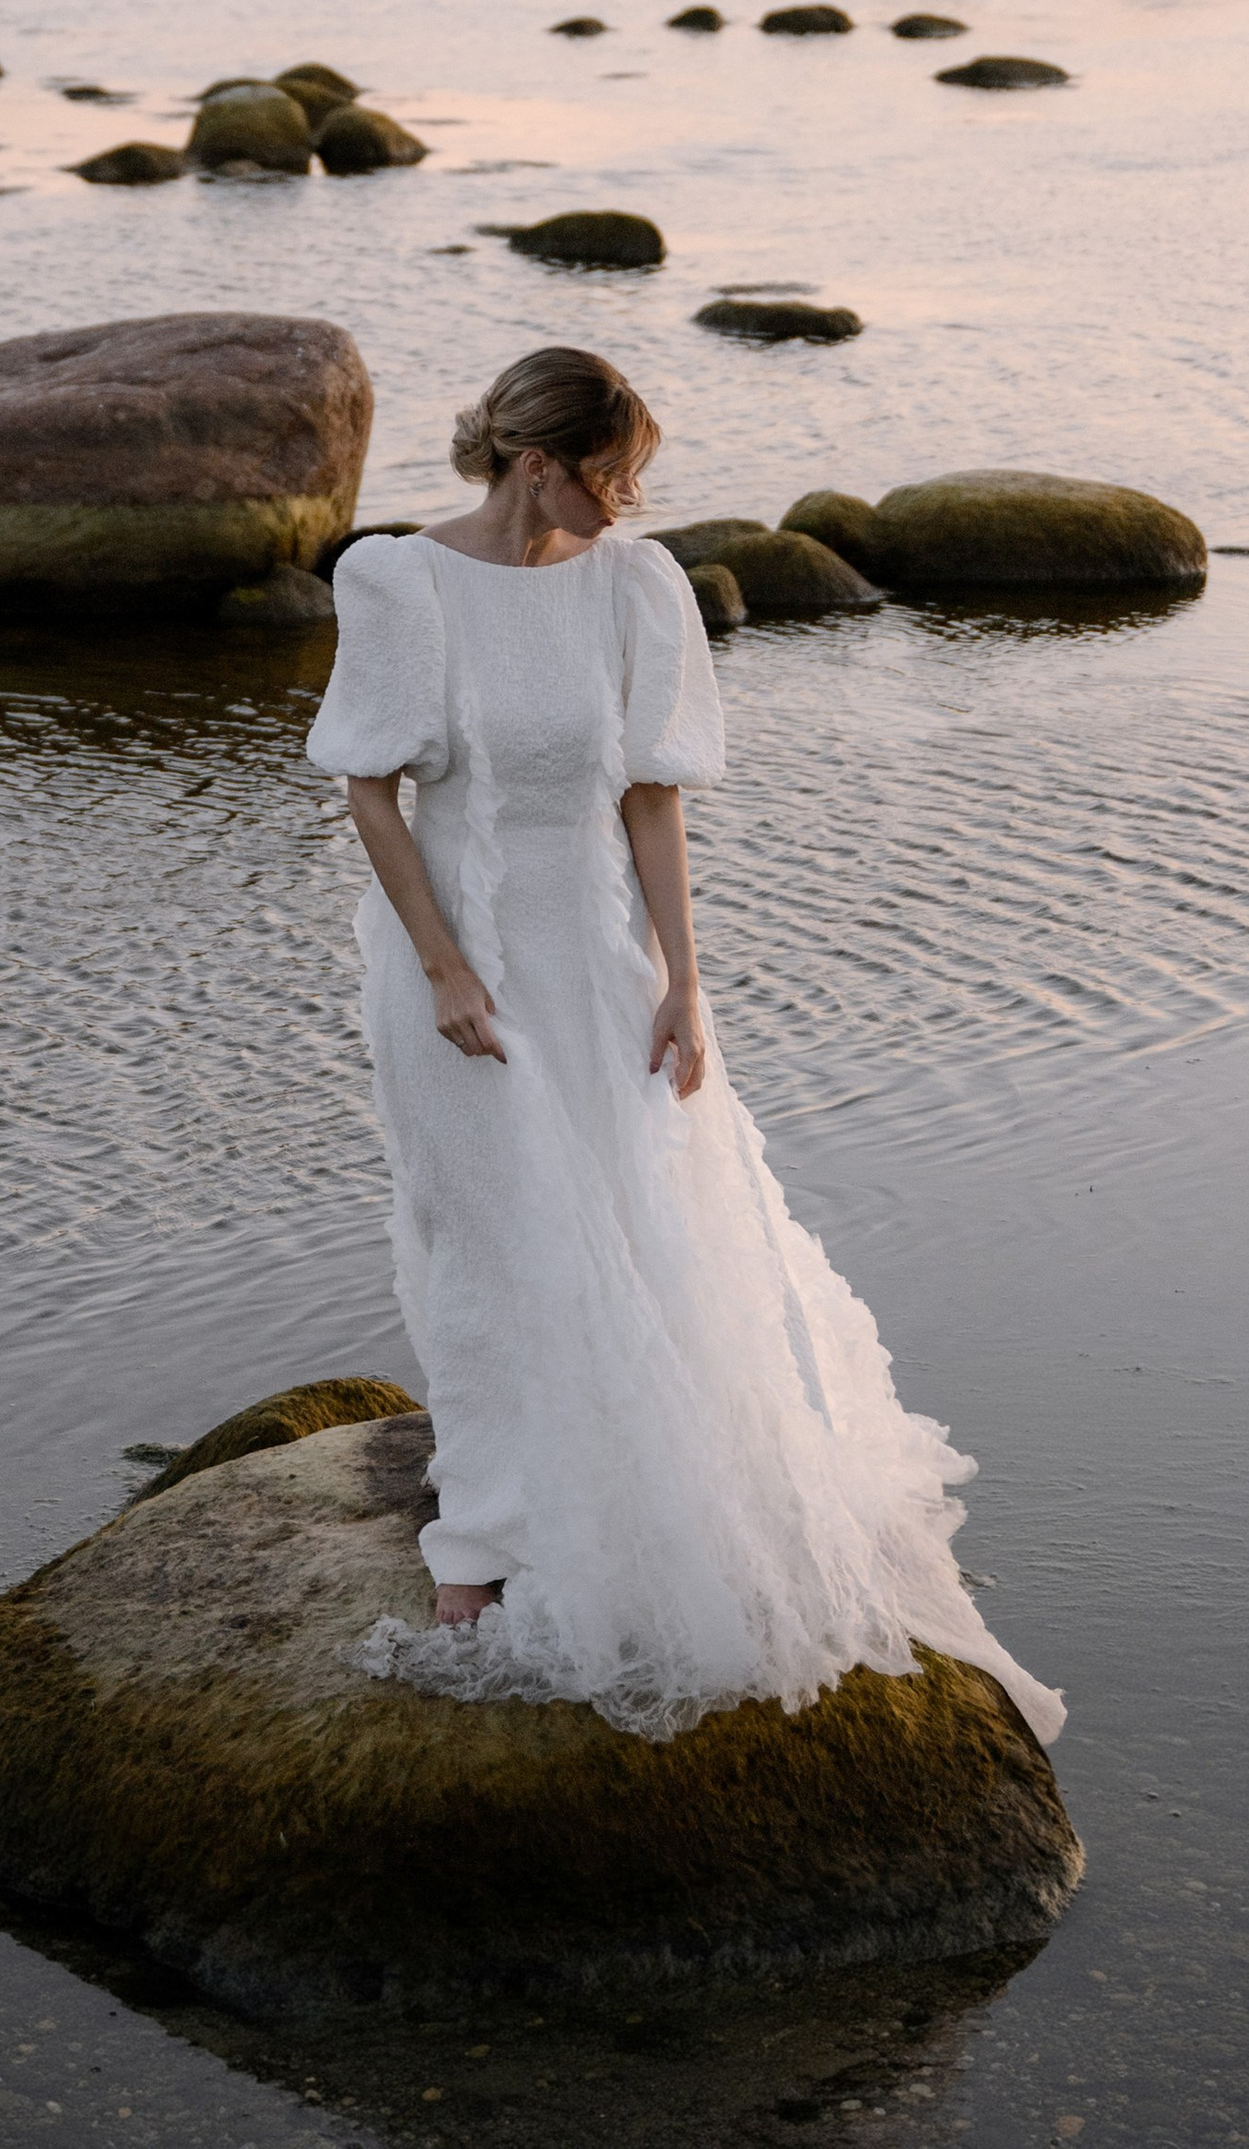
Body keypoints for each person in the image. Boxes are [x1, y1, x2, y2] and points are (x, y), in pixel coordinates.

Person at [306, 344, 1064, 1745]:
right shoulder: (400, 583)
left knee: (645, 1222)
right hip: (453, 961)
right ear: (537, 464)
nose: (634, 497)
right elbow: (371, 793)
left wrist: (684, 986)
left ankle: (631, 1505)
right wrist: (446, 970)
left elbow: (655, 801)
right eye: (614, 472)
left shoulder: (635, 586)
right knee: (496, 1243)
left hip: (597, 957)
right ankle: (478, 1552)